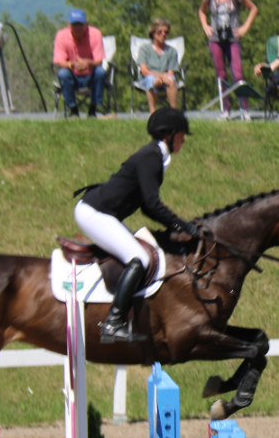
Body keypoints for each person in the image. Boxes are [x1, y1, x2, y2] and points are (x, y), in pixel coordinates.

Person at [75, 108, 199, 343]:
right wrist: (182, 225)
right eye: (181, 135)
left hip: (104, 212)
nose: (183, 140)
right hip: (94, 212)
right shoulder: (151, 156)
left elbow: (146, 206)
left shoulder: (156, 156)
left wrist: (178, 226)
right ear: (168, 135)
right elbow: (152, 203)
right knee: (139, 258)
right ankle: (113, 324)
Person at [199, 0, 258, 120]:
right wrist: (205, 25)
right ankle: (226, 110)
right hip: (215, 39)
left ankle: (244, 109)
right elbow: (202, 11)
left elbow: (253, 8)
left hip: (233, 39)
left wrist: (245, 27)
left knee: (238, 74)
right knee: (221, 75)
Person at [53, 9, 111, 119]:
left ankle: (93, 110)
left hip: (90, 76)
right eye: (74, 24)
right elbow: (60, 62)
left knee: (101, 72)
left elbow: (99, 61)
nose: (77, 27)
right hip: (72, 77)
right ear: (69, 24)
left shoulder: (95, 34)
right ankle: (73, 111)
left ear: (86, 24)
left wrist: (88, 63)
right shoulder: (61, 36)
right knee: (63, 74)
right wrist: (74, 64)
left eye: (80, 24)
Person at [136, 18, 180, 114]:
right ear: (153, 33)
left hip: (166, 80)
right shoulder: (145, 49)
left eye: (166, 32)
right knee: (150, 80)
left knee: (171, 79)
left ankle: (174, 112)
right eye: (160, 32)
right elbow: (144, 71)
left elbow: (171, 72)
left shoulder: (172, 51)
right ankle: (152, 112)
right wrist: (159, 77)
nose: (163, 34)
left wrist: (162, 79)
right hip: (148, 79)